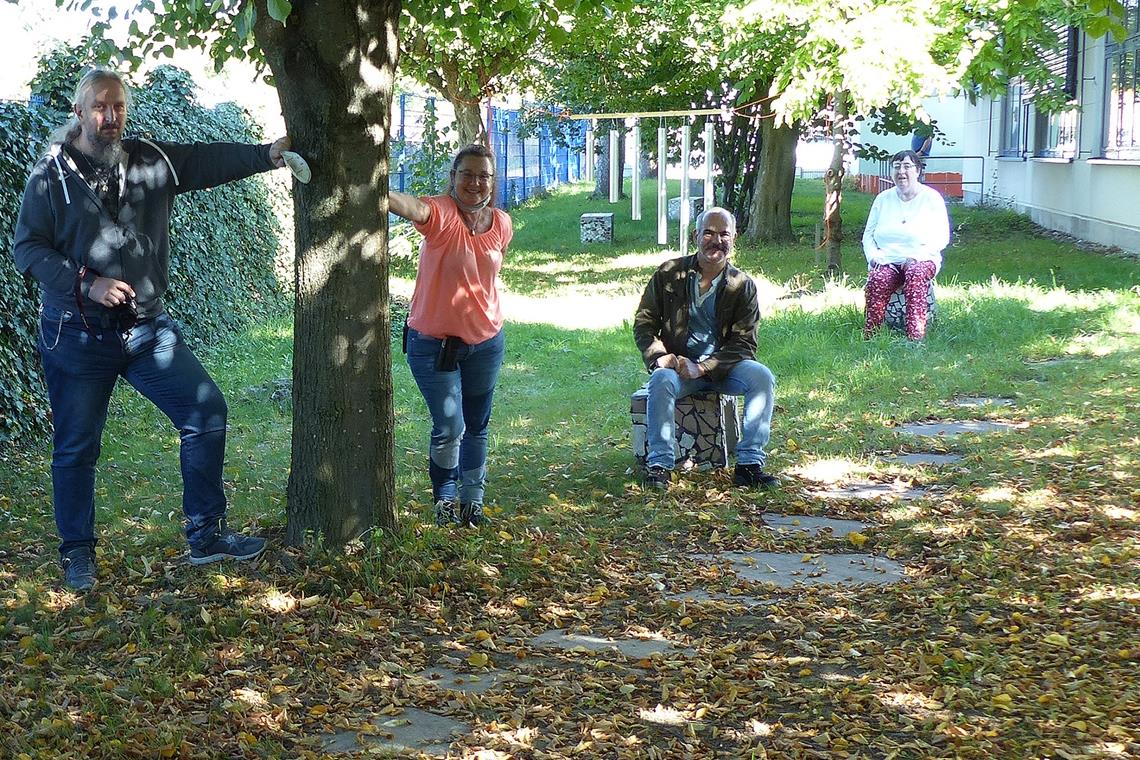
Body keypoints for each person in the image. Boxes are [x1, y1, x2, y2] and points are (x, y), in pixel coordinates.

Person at [12, 68, 289, 591]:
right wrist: (85, 282)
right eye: (99, 107)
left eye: (118, 106)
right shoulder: (50, 175)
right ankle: (77, 553)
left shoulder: (147, 159)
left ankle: (205, 536)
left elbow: (203, 161)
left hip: (145, 329)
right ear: (79, 111)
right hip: (76, 333)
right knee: (76, 447)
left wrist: (264, 155)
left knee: (205, 410)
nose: (110, 116)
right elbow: (27, 248)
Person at [388, 144, 512, 528]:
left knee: (477, 424)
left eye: (484, 175)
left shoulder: (502, 223)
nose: (475, 182)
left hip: (486, 343)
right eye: (467, 174)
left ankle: (473, 500)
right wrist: (379, 190)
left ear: (493, 181)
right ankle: (444, 499)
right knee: (450, 426)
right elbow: (414, 208)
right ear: (453, 178)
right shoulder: (441, 213)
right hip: (433, 346)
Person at [633, 207, 777, 490]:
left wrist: (703, 367)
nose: (716, 241)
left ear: (734, 238)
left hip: (722, 370)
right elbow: (644, 323)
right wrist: (661, 358)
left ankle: (749, 465)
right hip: (680, 370)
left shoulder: (742, 285)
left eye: (724, 234)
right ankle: (660, 465)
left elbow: (744, 343)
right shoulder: (669, 274)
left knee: (762, 377)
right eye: (709, 233)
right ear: (695, 235)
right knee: (660, 380)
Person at [861, 149, 951, 341]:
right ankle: (872, 336)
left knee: (915, 273)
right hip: (888, 258)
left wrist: (917, 257)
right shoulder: (883, 199)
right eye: (896, 167)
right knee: (878, 278)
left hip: (922, 258)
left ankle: (915, 337)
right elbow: (868, 234)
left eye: (907, 166)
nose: (901, 172)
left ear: (917, 170)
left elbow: (942, 236)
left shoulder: (931, 198)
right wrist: (874, 257)